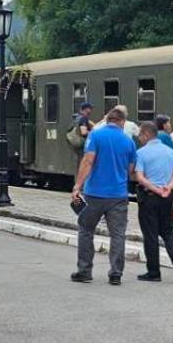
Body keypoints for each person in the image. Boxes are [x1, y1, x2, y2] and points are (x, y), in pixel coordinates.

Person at [71, 106, 137, 285]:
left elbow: (88, 161)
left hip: (94, 193)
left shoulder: (95, 135)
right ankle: (116, 273)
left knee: (86, 231)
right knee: (118, 235)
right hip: (118, 195)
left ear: (107, 120)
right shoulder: (128, 141)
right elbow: (131, 170)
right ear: (122, 122)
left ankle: (84, 271)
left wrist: (78, 186)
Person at [132, 121, 173, 282]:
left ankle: (154, 272)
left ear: (147, 134)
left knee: (150, 235)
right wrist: (168, 187)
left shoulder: (141, 153)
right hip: (167, 197)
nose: (140, 138)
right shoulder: (170, 151)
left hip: (149, 197)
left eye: (141, 135)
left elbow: (140, 177)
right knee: (168, 230)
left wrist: (156, 189)